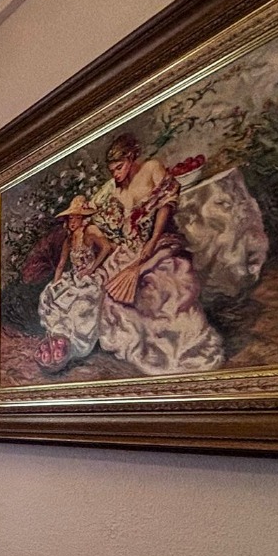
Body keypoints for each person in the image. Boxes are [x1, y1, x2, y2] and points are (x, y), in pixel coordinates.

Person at [87, 133, 223, 376]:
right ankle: (139, 341)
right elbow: (124, 227)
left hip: (160, 239)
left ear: (131, 158)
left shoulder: (151, 168)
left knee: (161, 282)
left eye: (119, 167)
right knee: (113, 287)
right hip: (134, 247)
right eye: (112, 170)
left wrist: (151, 242)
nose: (116, 174)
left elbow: (166, 205)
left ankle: (177, 342)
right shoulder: (118, 191)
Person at [35, 196, 115, 370]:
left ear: (83, 218)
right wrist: (55, 284)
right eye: (70, 218)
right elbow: (61, 264)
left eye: (76, 218)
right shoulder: (69, 239)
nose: (72, 222)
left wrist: (91, 268)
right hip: (74, 277)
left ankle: (77, 341)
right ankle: (61, 341)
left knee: (81, 304)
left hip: (91, 277)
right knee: (50, 297)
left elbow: (106, 248)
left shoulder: (90, 231)